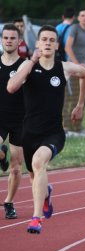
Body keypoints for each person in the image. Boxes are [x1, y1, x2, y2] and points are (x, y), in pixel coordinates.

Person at [7, 25, 85, 234]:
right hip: (29, 133)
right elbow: (11, 87)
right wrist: (31, 62)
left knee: (38, 162)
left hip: (53, 132)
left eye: (52, 40)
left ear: (57, 45)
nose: (47, 43)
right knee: (35, 176)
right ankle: (45, 194)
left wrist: (80, 105)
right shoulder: (27, 65)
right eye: (44, 39)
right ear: (37, 43)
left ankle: (36, 219)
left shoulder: (64, 68)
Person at [0, 24, 26, 219]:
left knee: (16, 168)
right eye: (5, 37)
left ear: (19, 41)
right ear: (2, 40)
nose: (8, 40)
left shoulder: (25, 66)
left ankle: (8, 202)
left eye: (12, 38)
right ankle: (2, 154)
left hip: (20, 120)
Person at [64, 9, 85, 133]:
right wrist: (77, 65)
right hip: (72, 68)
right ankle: (67, 127)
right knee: (70, 98)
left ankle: (78, 126)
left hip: (83, 68)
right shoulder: (75, 28)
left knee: (82, 98)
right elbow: (68, 47)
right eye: (82, 15)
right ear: (78, 18)